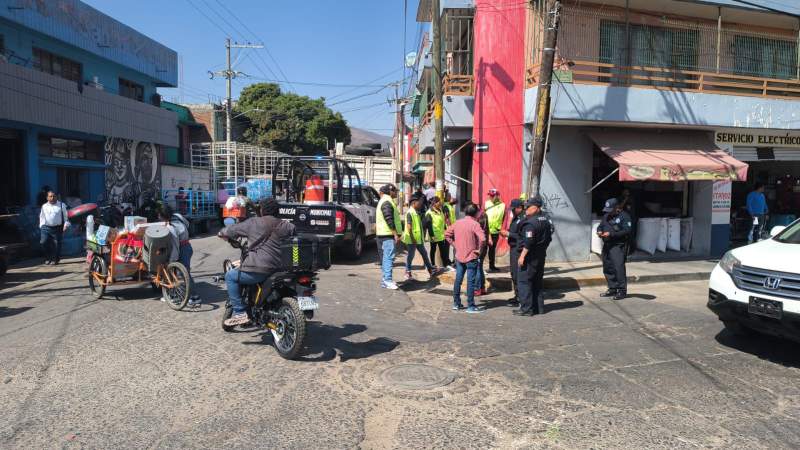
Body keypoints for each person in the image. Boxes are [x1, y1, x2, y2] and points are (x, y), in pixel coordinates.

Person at [220, 198, 296, 326]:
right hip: (279, 269)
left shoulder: (254, 223)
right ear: (278, 211)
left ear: (262, 210)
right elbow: (294, 232)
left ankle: (240, 312)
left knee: (230, 276)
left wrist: (222, 233)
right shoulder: (287, 225)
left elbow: (231, 230)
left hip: (258, 270)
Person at [514, 197, 552, 316]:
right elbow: (549, 239)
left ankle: (526, 309)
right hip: (540, 255)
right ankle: (538, 308)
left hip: (529, 256)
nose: (526, 209)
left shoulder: (531, 223)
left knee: (524, 282)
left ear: (536, 208)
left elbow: (528, 241)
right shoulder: (546, 220)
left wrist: (522, 256)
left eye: (528, 207)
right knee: (537, 281)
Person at [445, 203, 485, 314]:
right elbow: (482, 239)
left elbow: (447, 234)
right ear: (476, 213)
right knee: (470, 282)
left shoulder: (458, 223)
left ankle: (456, 303)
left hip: (459, 256)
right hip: (471, 256)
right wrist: (479, 251)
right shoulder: (475, 224)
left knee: (458, 279)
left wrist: (455, 245)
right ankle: (470, 306)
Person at [158, 205, 201, 307]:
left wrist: (172, 261)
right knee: (178, 273)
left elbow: (175, 247)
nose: (158, 216)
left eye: (159, 215)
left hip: (183, 248)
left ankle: (195, 298)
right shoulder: (178, 216)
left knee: (184, 273)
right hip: (187, 246)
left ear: (163, 216)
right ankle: (174, 295)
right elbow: (187, 224)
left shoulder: (170, 228)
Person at [597, 198, 632, 300]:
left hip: (618, 245)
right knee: (607, 267)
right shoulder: (606, 216)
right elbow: (600, 226)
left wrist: (611, 234)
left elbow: (627, 230)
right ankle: (612, 288)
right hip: (607, 245)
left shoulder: (624, 216)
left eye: (610, 209)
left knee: (618, 267)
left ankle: (622, 290)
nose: (608, 212)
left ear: (617, 207)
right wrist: (599, 231)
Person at [403, 194, 441, 280]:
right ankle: (407, 272)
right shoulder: (410, 213)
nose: (420, 204)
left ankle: (430, 270)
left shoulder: (416, 212)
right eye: (418, 203)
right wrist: (413, 239)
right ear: (413, 203)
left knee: (424, 254)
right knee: (411, 256)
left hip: (417, 239)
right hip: (412, 240)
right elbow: (409, 227)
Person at [499, 198, 525, 306]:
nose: (512, 211)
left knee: (517, 274)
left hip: (518, 250)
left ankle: (520, 298)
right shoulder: (516, 218)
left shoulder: (523, 219)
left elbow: (522, 236)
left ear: (519, 208)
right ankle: (517, 296)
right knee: (514, 274)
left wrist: (508, 234)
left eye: (514, 209)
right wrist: (506, 233)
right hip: (514, 248)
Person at [376, 184, 402, 290]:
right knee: (388, 258)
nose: (396, 193)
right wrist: (395, 233)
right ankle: (387, 280)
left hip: (383, 234)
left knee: (385, 258)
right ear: (390, 191)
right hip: (387, 234)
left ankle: (385, 280)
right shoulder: (387, 202)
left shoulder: (385, 201)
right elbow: (389, 218)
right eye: (395, 191)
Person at [39, 191, 70, 265]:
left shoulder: (62, 205)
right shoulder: (44, 206)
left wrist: (66, 225)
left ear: (56, 197)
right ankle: (47, 258)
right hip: (45, 227)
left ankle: (55, 259)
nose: (52, 198)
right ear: (47, 198)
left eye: (54, 196)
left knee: (57, 244)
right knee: (43, 242)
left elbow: (66, 217)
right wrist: (41, 225)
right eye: (50, 196)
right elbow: (42, 216)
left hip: (57, 228)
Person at [425, 196, 450, 269]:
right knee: (433, 250)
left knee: (443, 250)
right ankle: (432, 264)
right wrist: (432, 235)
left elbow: (442, 221)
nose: (440, 203)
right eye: (438, 202)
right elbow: (429, 226)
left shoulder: (440, 210)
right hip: (434, 235)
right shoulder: (429, 213)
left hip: (441, 235)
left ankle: (445, 264)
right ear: (434, 203)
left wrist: (445, 229)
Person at [484, 189, 506, 272]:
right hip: (486, 230)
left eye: (492, 195)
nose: (490, 197)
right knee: (483, 249)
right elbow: (483, 216)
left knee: (492, 249)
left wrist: (502, 228)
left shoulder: (503, 205)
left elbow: (504, 217)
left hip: (496, 231)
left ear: (497, 196)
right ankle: (479, 268)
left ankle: (492, 266)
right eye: (489, 195)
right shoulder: (486, 204)